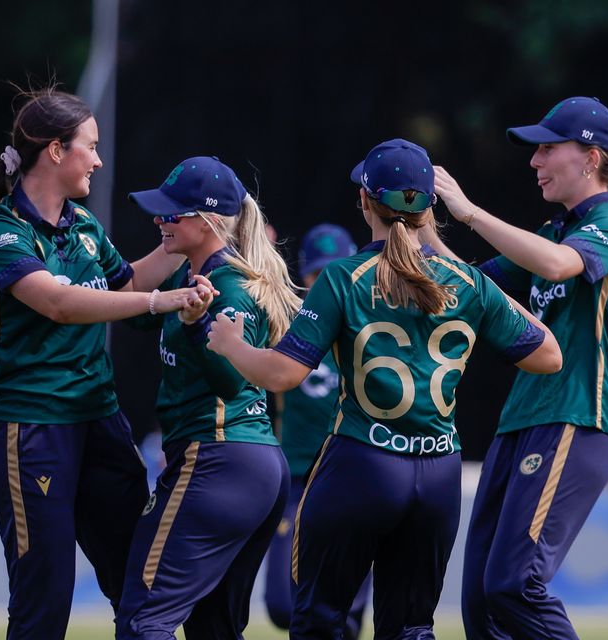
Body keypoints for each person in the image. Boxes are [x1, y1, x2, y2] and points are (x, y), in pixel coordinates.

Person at [205, 138, 563, 639]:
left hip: (361, 465)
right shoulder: (466, 282)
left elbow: (282, 375)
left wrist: (231, 344)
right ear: (430, 208)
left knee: (319, 620)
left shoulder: (342, 278)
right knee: (411, 627)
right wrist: (484, 295)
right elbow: (549, 355)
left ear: (364, 202)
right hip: (439, 473)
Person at [428, 96, 608, 639]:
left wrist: (467, 211)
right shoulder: (553, 230)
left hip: (573, 420)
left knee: (514, 586)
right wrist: (422, 229)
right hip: (520, 423)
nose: (534, 162)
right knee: (480, 606)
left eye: (546, 149)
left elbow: (559, 265)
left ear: (590, 157)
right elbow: (471, 286)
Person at [0, 89, 213, 640]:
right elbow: (59, 304)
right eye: (91, 147)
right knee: (45, 595)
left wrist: (190, 236)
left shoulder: (81, 223)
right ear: (55, 151)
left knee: (141, 578)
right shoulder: (0, 228)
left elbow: (124, 281)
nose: (98, 160)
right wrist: (161, 302)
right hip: (27, 426)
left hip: (98, 420)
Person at [114, 156, 302, 639]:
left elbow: (230, 382)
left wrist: (198, 327)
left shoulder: (228, 290)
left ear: (207, 220)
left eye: (172, 214)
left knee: (143, 619)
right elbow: (134, 313)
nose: (160, 220)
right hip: (245, 464)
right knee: (214, 630)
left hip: (217, 457)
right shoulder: (193, 277)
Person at [263, 223, 371, 638]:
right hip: (296, 477)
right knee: (281, 604)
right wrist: (258, 250)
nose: (323, 282)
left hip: (352, 473)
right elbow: (258, 298)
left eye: (334, 272)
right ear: (303, 275)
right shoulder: (288, 323)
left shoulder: (365, 321)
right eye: (316, 274)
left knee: (344, 614)